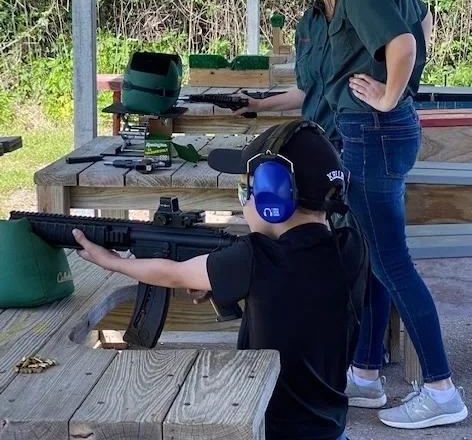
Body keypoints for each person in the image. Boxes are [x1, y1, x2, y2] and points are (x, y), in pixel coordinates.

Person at [280, 0, 468, 430]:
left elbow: (405, 45)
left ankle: (441, 390)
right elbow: (423, 25)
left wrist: (388, 94)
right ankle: (364, 375)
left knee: (391, 264)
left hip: (372, 130)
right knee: (371, 256)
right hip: (377, 131)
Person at [72, 120, 370, 440]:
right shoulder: (352, 247)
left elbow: (171, 273)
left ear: (273, 194)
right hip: (330, 426)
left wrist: (112, 262)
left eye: (247, 186)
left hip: (270, 429)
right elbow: (297, 294)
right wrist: (226, 280)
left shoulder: (255, 257)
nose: (243, 196)